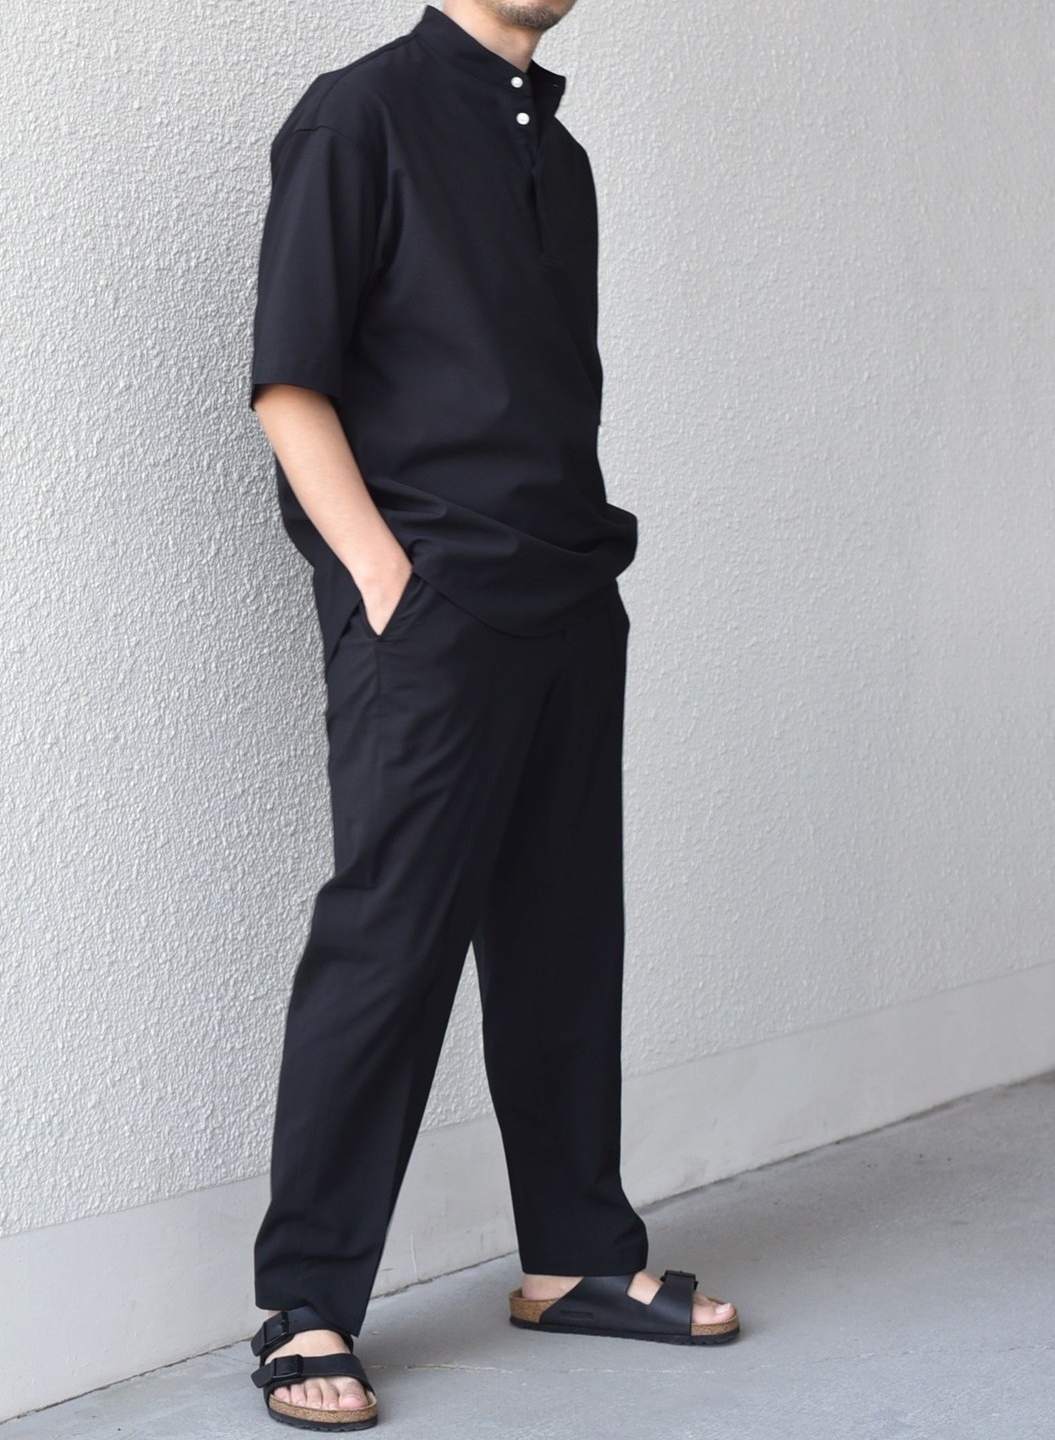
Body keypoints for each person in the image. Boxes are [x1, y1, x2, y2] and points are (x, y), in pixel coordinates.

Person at [243, 1, 739, 1428]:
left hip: (572, 595)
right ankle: (306, 1302)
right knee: (389, 946)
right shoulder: (360, 114)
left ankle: (574, 1254)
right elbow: (289, 382)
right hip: (434, 606)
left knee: (566, 937)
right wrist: (387, 580)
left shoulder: (556, 155)